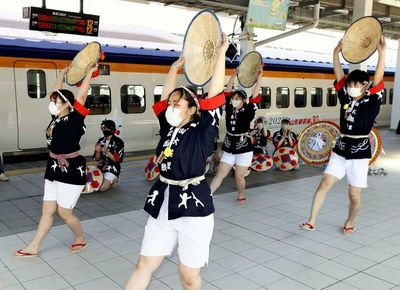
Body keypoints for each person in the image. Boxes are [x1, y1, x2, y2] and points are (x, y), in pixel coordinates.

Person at [124, 35, 228, 290]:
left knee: (188, 276)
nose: (170, 107)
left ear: (192, 109)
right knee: (143, 264)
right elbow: (162, 101)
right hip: (163, 199)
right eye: (171, 103)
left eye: (177, 104)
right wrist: (173, 69)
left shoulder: (203, 130)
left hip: (194, 205)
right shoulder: (167, 127)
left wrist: (221, 53)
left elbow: (215, 94)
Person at [300, 36, 386, 235]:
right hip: (340, 149)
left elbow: (379, 77)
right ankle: (311, 221)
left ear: (365, 85)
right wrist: (335, 54)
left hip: (360, 152)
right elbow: (339, 77)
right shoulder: (346, 97)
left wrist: (382, 54)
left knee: (354, 196)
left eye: (356, 84)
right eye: (350, 84)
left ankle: (350, 221)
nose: (351, 87)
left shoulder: (373, 100)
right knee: (325, 183)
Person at [14, 64, 97, 257]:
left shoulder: (75, 119)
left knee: (64, 212)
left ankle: (80, 238)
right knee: (47, 209)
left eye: (57, 101)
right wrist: (61, 74)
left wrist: (88, 75)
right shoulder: (55, 118)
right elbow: (55, 91)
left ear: (68, 104)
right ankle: (33, 246)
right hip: (52, 168)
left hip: (71, 169)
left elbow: (82, 95)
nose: (53, 103)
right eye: (53, 101)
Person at [210, 65, 263, 204]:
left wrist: (259, 77)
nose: (234, 99)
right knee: (220, 173)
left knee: (239, 176)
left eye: (238, 98)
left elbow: (255, 95)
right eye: (234, 97)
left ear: (244, 101)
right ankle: (208, 195)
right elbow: (227, 92)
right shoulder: (229, 107)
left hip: (244, 147)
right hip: (229, 145)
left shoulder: (249, 110)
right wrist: (233, 75)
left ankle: (241, 194)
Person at [93, 119, 124, 191]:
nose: (104, 130)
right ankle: (107, 179)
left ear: (111, 129)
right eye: (102, 128)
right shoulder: (101, 140)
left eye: (105, 128)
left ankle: (115, 178)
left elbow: (117, 160)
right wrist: (97, 151)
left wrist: (107, 151)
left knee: (101, 189)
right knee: (92, 183)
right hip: (101, 166)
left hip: (113, 168)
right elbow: (97, 159)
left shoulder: (118, 142)